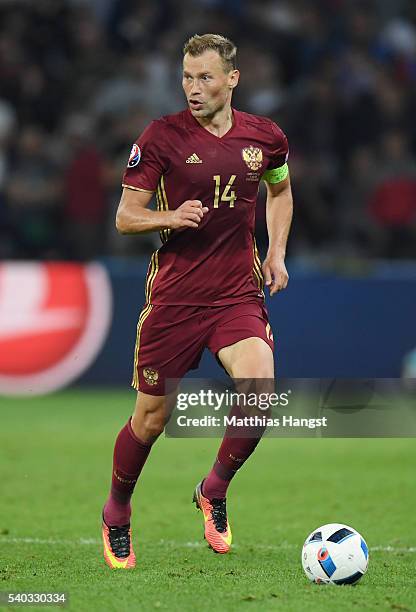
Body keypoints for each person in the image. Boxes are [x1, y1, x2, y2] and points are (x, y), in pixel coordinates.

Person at [102, 33, 293, 569]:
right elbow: (124, 216)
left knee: (259, 394)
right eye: (187, 77)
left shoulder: (266, 137)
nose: (193, 88)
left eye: (205, 77)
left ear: (232, 79)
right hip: (176, 297)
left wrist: (276, 251)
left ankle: (212, 489)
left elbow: (279, 189)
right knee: (150, 421)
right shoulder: (161, 137)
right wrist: (170, 216)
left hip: (236, 291)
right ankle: (116, 512)